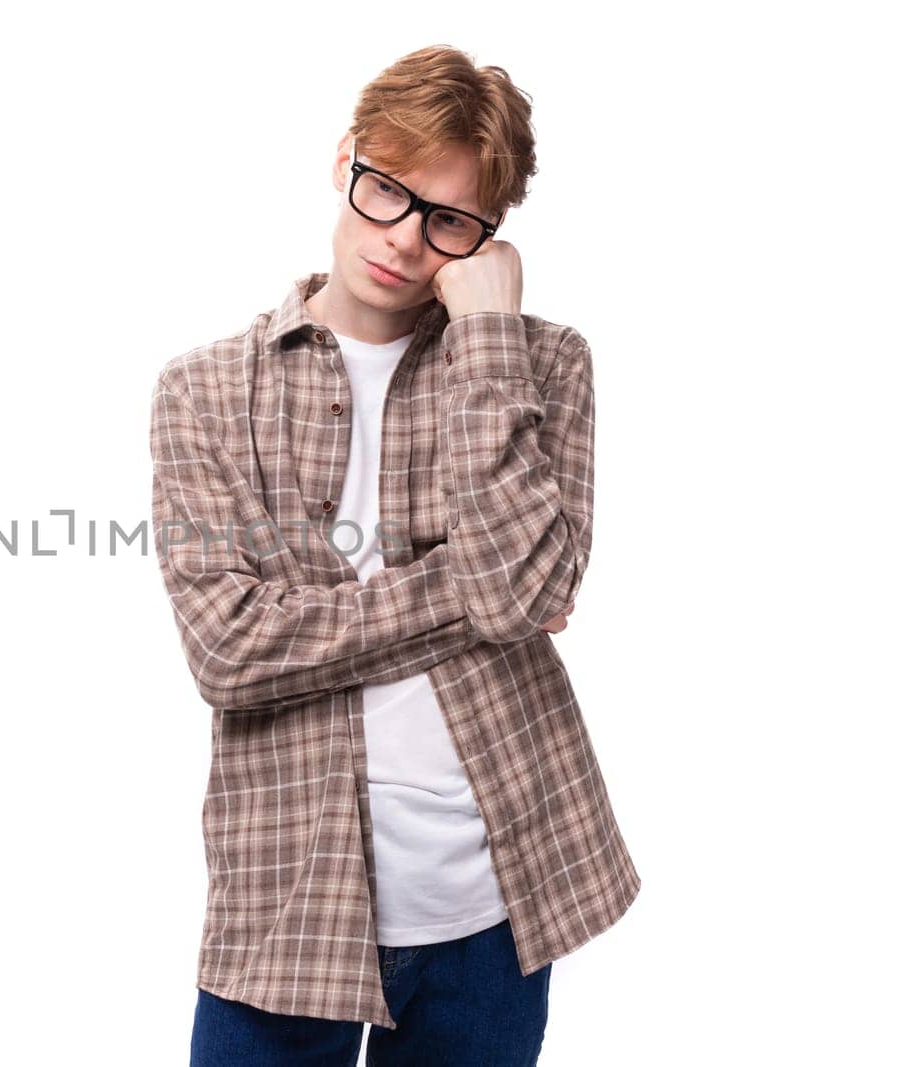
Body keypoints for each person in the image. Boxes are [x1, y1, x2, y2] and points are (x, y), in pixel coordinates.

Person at [148, 45, 641, 1065]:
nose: (405, 240)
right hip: (288, 903)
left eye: (448, 220)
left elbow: (530, 588)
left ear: (485, 238)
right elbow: (229, 653)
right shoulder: (200, 391)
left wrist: (489, 336)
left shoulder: (543, 361)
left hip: (493, 902)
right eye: (388, 192)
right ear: (347, 162)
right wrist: (465, 587)